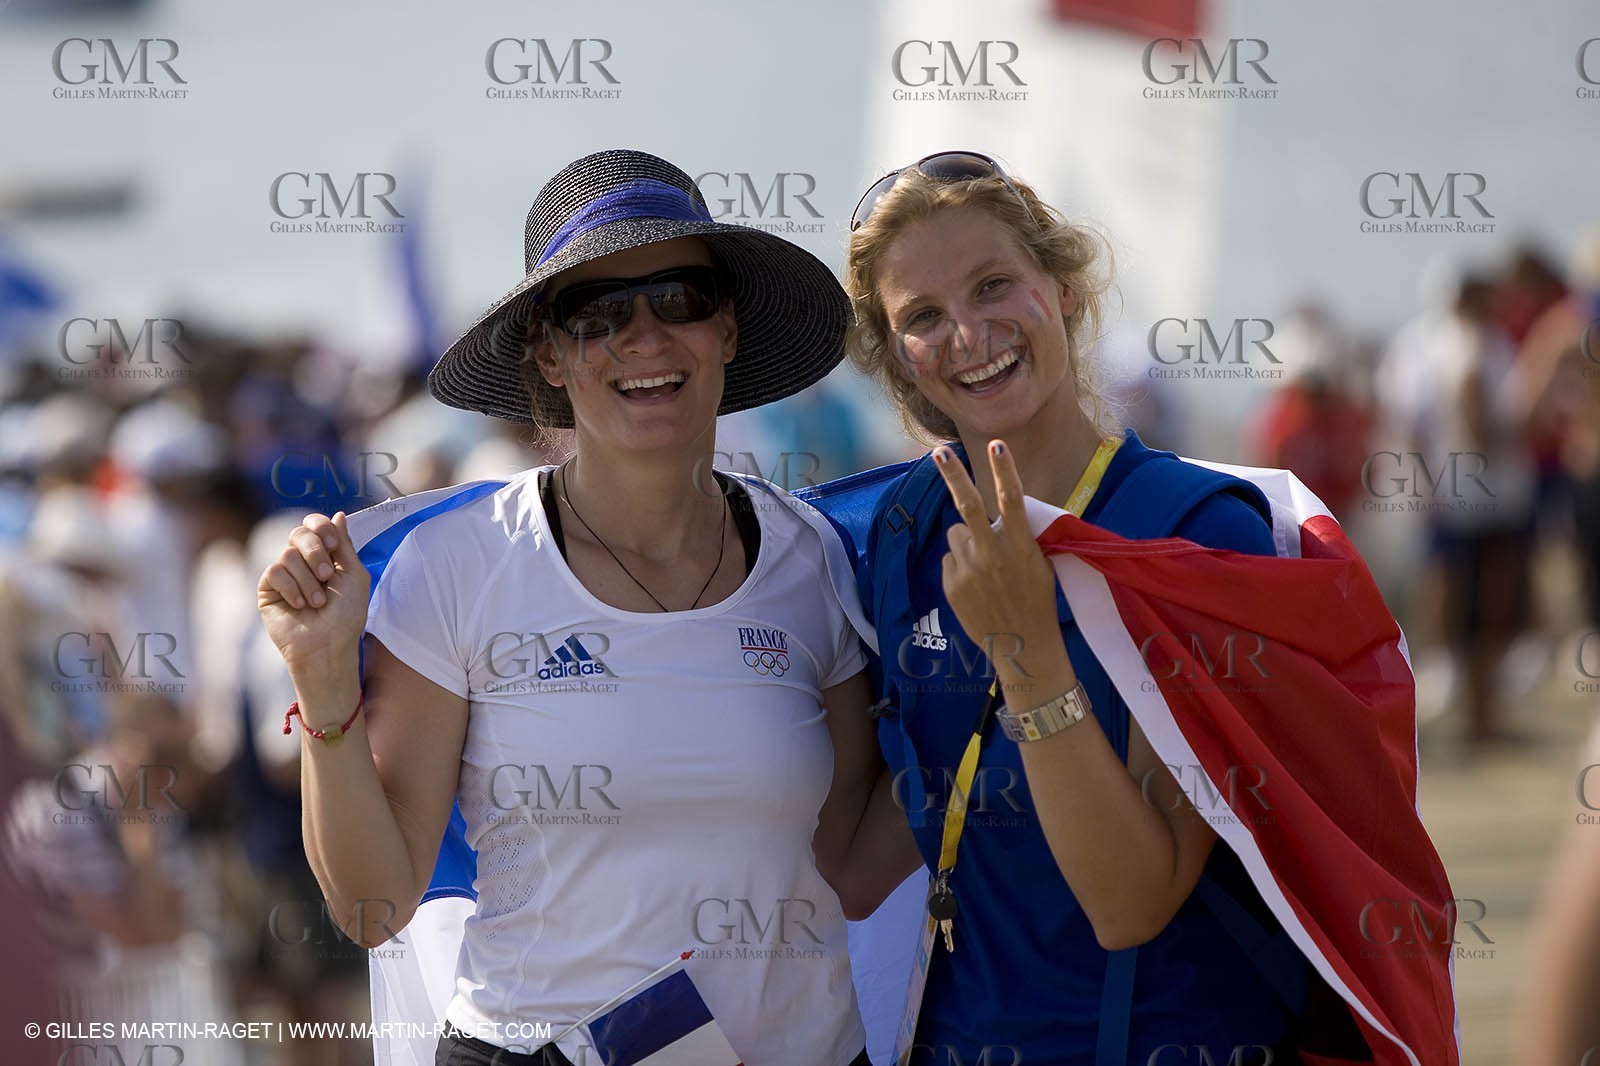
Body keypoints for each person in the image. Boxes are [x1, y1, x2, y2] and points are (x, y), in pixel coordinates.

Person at [257, 150, 887, 1066]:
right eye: (598, 315)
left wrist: (1010, 676)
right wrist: (320, 677)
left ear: (728, 329)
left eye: (680, 298)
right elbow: (373, 906)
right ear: (549, 356)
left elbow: (857, 868)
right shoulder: (457, 565)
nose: (644, 337)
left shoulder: (815, 560)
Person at [825, 151, 1455, 1065]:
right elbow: (854, 865)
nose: (968, 332)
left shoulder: (1196, 535)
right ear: (896, 362)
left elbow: (1132, 901)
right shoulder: (897, 539)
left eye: (994, 283)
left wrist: (1023, 644)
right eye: (922, 317)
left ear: (1067, 288)